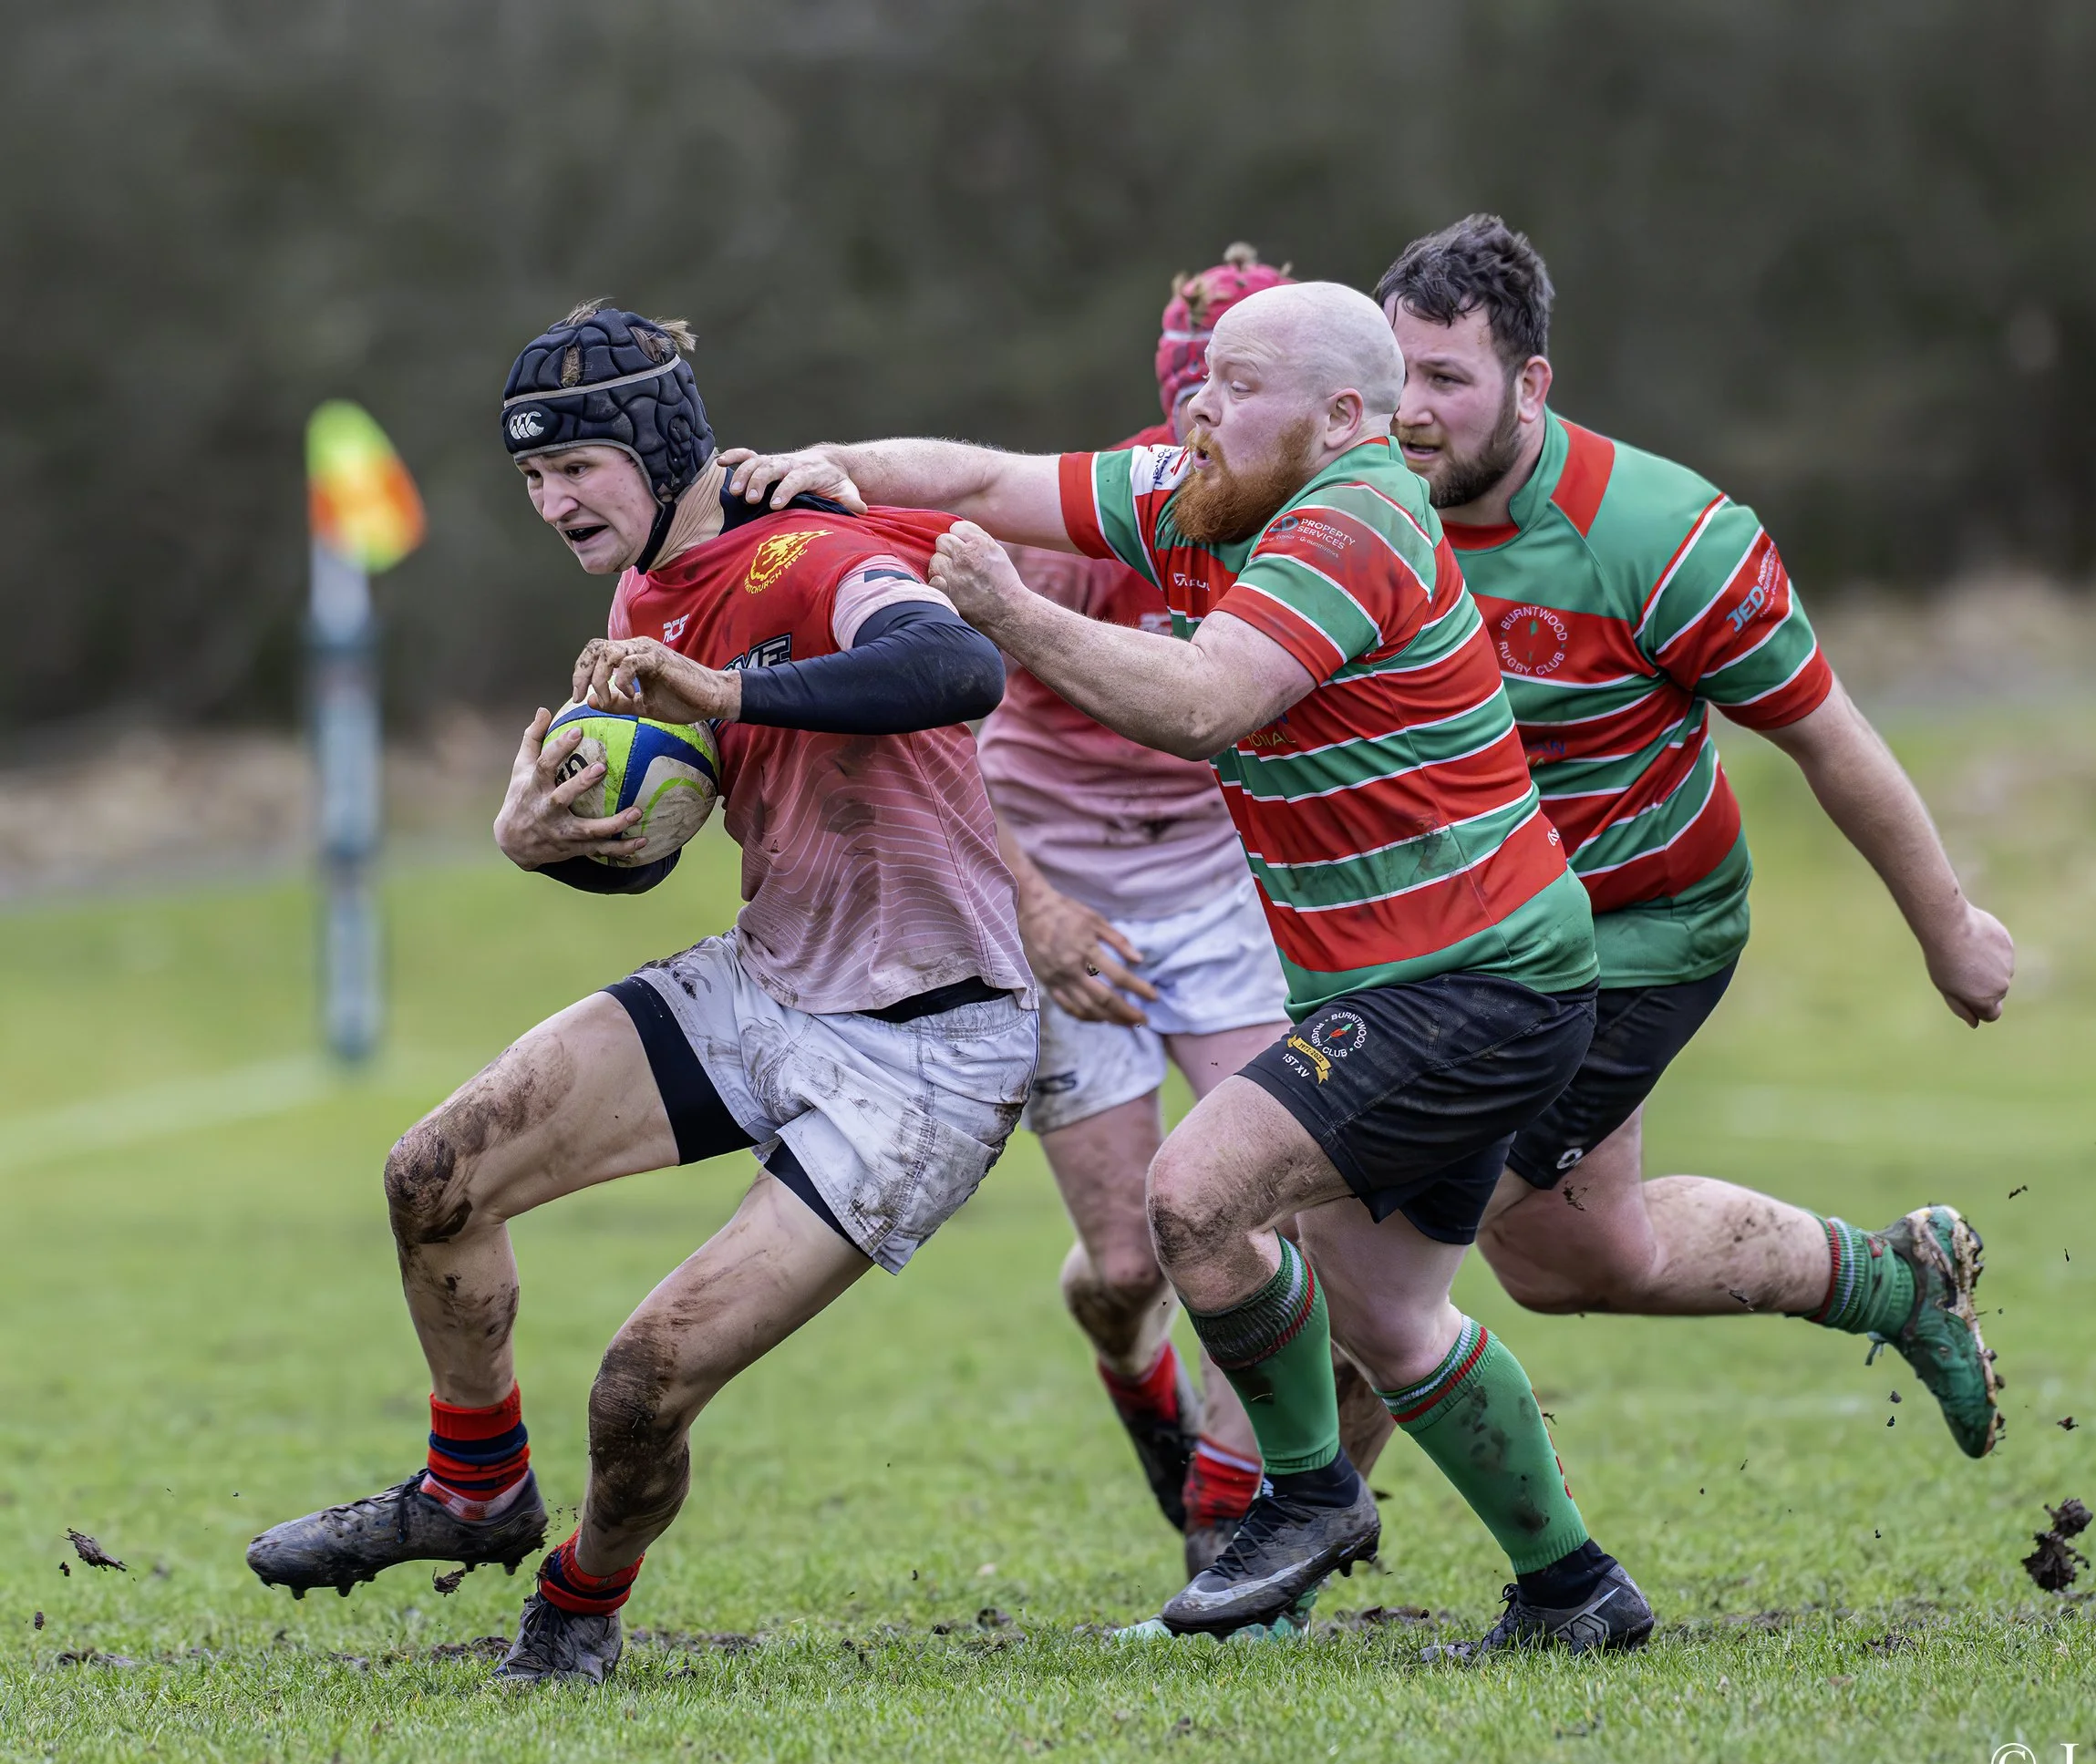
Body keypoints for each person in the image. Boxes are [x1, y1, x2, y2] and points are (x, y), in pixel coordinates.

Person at [725, 279, 1659, 1656]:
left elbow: (1208, 701)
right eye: (1202, 381)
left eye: (1238, 386)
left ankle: (1301, 1499)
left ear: (1348, 416)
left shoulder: (1352, 522)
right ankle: (1573, 1586)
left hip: (1473, 985)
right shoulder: (1207, 486)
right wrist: (841, 471)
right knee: (1395, 1324)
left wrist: (1010, 614)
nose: (1201, 411)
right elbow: (989, 477)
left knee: (1196, 1193)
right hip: (1444, 983)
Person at [243, 304, 1036, 1687]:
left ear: (663, 444)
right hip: (772, 977)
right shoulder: (642, 600)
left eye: (580, 468)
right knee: (431, 1175)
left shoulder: (810, 545)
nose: (553, 501)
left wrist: (727, 690)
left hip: (930, 1045)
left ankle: (579, 1596)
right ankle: (473, 1482)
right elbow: (666, 833)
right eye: (533, 478)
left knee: (640, 1382)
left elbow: (961, 667)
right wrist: (552, 844)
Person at [1325, 214, 2014, 1480]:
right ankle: (1895, 1278)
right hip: (1455, 926)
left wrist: (1949, 928)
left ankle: (1302, 1531)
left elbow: (1831, 738)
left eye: (1445, 379)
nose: (1407, 411)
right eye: (1392, 374)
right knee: (1572, 1254)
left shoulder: (1662, 537)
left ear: (1532, 383)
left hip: (1636, 927)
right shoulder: (1354, 506)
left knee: (1392, 1193)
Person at [983, 245, 1294, 1575]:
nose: (1219, 432)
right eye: (1201, 403)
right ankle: (1137, 1377)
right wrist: (1036, 910)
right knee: (1123, 1266)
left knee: (1262, 1220)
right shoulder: (1075, 535)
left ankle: (1229, 1520)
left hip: (1220, 884)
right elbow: (934, 745)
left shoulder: (1333, 530)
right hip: (1062, 886)